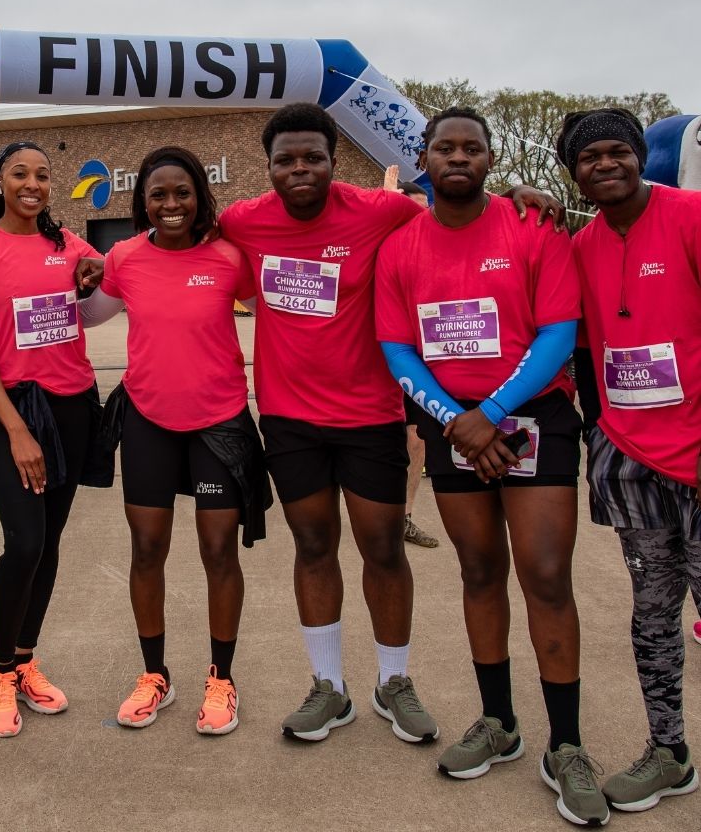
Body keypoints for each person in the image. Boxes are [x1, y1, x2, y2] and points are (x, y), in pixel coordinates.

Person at [218, 101, 560, 748]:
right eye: (285, 160)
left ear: (334, 161)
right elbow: (179, 235)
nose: (300, 170)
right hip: (289, 418)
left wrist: (519, 193)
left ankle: (393, 682)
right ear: (267, 168)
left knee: (382, 548)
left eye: (312, 158)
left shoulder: (383, 211)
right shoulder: (244, 221)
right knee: (313, 546)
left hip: (371, 416)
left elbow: (460, 208)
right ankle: (328, 688)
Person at [376, 108, 608, 827]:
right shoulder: (400, 246)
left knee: (544, 575)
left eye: (472, 147)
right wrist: (455, 421)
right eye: (444, 146)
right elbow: (397, 350)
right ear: (423, 155)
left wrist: (492, 415)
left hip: (533, 413)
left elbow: (558, 335)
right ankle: (498, 722)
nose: (458, 156)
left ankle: (565, 745)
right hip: (451, 418)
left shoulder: (531, 227)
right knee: (479, 572)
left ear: (488, 158)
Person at [78, 146, 267, 736]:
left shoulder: (229, 257)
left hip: (218, 424)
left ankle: (221, 679)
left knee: (218, 553)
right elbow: (88, 317)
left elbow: (280, 310)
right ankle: (155, 674)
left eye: (181, 192)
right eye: (158, 194)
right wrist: (70, 272)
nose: (171, 204)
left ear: (199, 197)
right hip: (149, 422)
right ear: (143, 202)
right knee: (147, 550)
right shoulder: (125, 257)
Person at [558, 108, 700, 814]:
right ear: (574, 171)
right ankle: (669, 752)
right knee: (652, 617)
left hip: (699, 453)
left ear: (641, 156)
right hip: (633, 458)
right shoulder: (579, 244)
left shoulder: (691, 216)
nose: (605, 165)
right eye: (590, 158)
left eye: (619, 152)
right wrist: (599, 436)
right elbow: (582, 349)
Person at [0, 141, 106, 738]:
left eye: (43, 175)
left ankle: (23, 658)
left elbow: (102, 297)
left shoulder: (70, 246)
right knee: (24, 542)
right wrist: (15, 429)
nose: (33, 184)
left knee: (49, 545)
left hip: (73, 407)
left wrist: (94, 280)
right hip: (12, 410)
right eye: (20, 173)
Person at [384, 170, 439, 550]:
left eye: (423, 212)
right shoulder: (378, 243)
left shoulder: (436, 247)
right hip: (373, 359)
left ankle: (403, 516)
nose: (417, 219)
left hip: (418, 360)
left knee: (416, 439)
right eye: (407, 210)